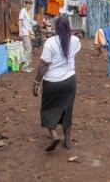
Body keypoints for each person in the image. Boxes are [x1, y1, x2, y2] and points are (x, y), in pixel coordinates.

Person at [33, 16, 81, 152]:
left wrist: (36, 82)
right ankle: (67, 139)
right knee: (67, 110)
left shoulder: (50, 42)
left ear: (56, 27)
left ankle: (54, 135)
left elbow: (43, 65)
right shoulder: (75, 41)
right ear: (68, 27)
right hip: (70, 81)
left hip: (52, 82)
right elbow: (74, 47)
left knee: (48, 109)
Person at [19, 0, 36, 73]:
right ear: (25, 4)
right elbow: (20, 21)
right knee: (28, 49)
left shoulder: (27, 12)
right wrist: (20, 31)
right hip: (25, 33)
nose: (30, 6)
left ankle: (28, 65)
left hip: (28, 32)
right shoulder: (23, 11)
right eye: (29, 4)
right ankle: (24, 66)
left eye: (31, 4)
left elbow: (29, 23)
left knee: (30, 49)